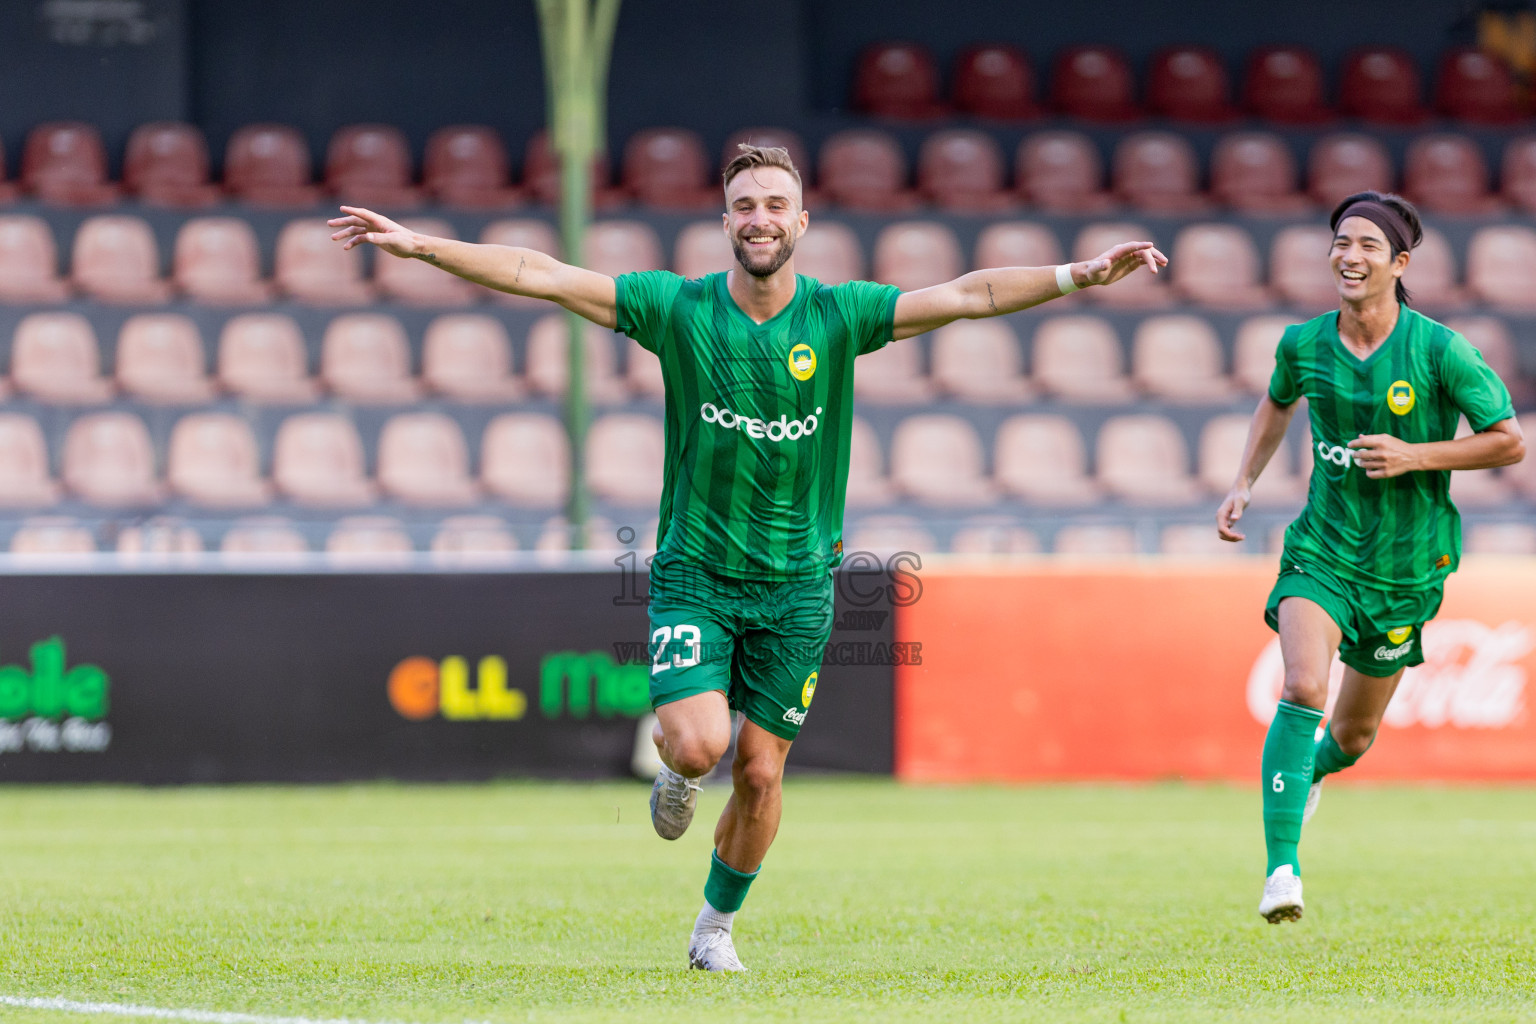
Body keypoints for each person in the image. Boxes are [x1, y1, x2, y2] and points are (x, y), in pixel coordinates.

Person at [330, 144, 1167, 969]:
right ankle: (679, 772)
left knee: (762, 774)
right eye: (744, 206)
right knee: (699, 748)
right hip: (696, 572)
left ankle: (713, 931)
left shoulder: (839, 317)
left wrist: (1075, 276)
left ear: (800, 222)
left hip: (801, 588)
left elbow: (968, 294)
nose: (758, 219)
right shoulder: (679, 310)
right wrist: (421, 244)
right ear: (724, 221)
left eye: (774, 206)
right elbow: (537, 271)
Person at [1216, 190, 1524, 923]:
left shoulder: (1442, 350)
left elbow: (1508, 439)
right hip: (1322, 548)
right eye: (1340, 243)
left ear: (1399, 263)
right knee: (1302, 685)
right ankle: (1281, 871)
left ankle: (1314, 770)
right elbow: (1277, 401)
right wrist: (1242, 482)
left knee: (1351, 736)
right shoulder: (1303, 343)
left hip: (1408, 568)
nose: (1348, 256)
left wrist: (1417, 454)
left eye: (1367, 246)